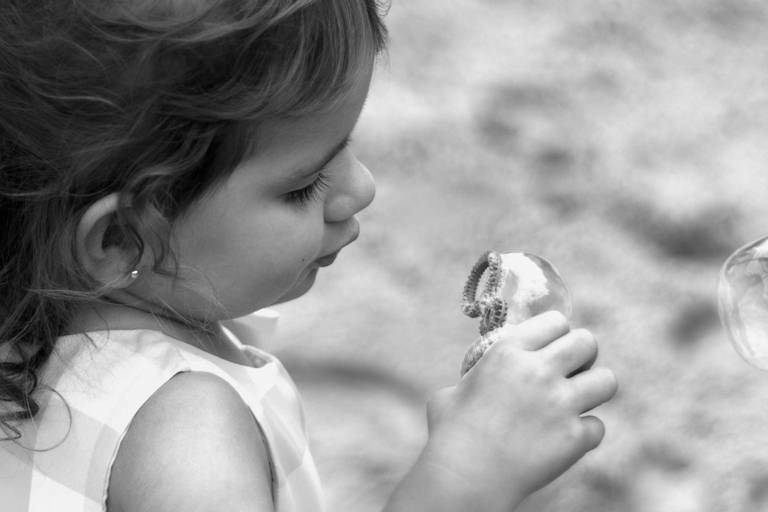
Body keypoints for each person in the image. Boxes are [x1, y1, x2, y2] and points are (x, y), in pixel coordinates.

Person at [0, 1, 618, 511]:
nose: (361, 188)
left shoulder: (33, 321)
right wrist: (467, 474)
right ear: (119, 241)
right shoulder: (187, 433)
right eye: (302, 184)